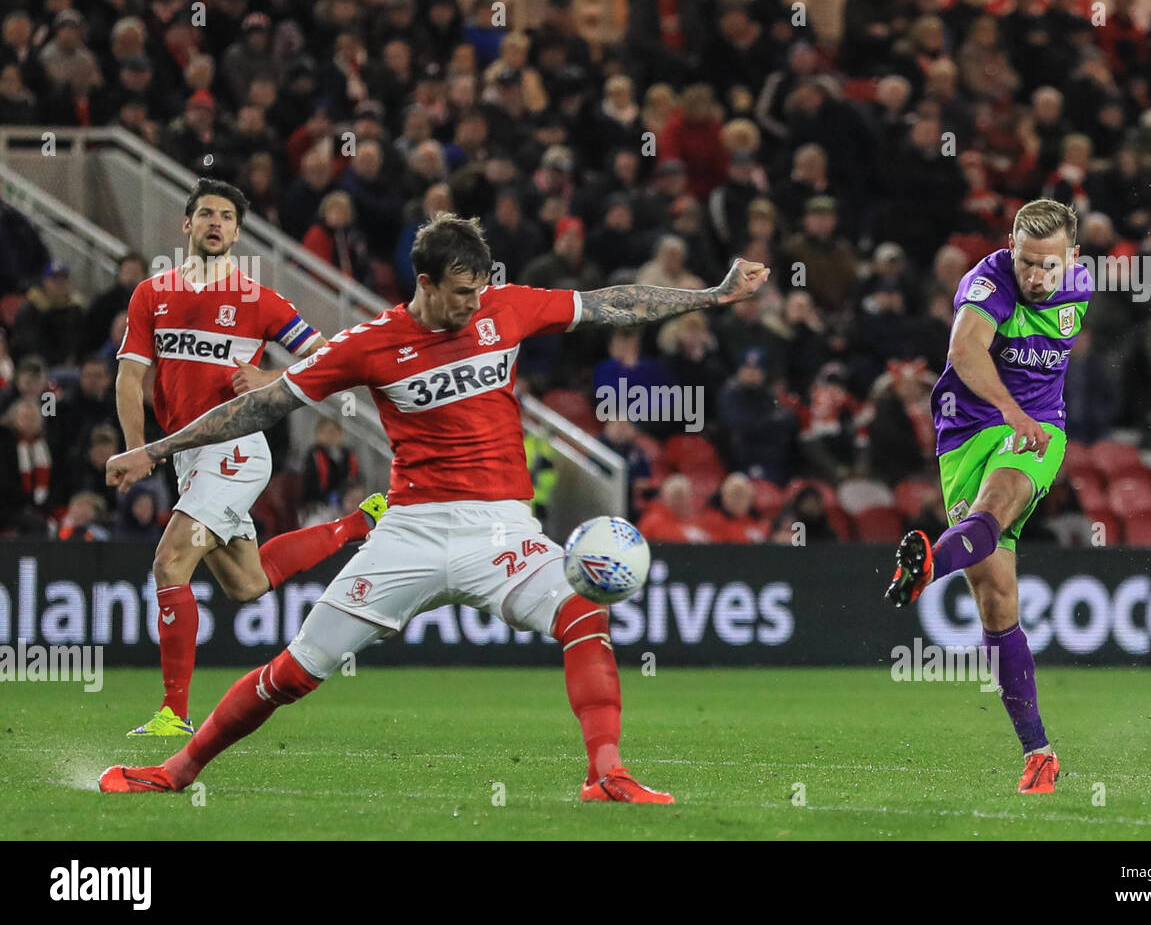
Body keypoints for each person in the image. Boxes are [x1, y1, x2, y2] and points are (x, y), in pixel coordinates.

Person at [100, 212, 769, 802]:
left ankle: (607, 773)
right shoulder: (368, 344)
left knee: (582, 612)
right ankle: (179, 768)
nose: (473, 303)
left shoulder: (505, 306)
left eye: (479, 288)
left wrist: (712, 295)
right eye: (459, 292)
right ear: (424, 282)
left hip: (502, 527)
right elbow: (260, 405)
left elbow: (611, 303)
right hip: (411, 532)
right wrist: (156, 449)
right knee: (296, 669)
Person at [113, 178, 386, 739]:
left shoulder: (257, 299)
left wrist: (272, 375)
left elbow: (327, 356)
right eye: (206, 214)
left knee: (169, 563)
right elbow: (129, 377)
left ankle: (173, 714)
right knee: (246, 585)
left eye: (226, 217)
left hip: (235, 451)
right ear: (186, 225)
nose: (216, 223)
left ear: (237, 232)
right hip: (188, 457)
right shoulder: (151, 294)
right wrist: (139, 448)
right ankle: (356, 525)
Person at [884, 199, 1092, 796]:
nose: (1036, 277)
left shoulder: (1082, 287)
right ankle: (1040, 755)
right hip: (969, 432)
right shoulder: (987, 281)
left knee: (997, 505)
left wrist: (1024, 418)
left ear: (1073, 260)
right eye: (1027, 262)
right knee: (998, 601)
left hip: (1038, 430)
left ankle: (929, 563)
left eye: (1049, 266)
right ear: (1011, 248)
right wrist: (1007, 408)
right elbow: (964, 351)